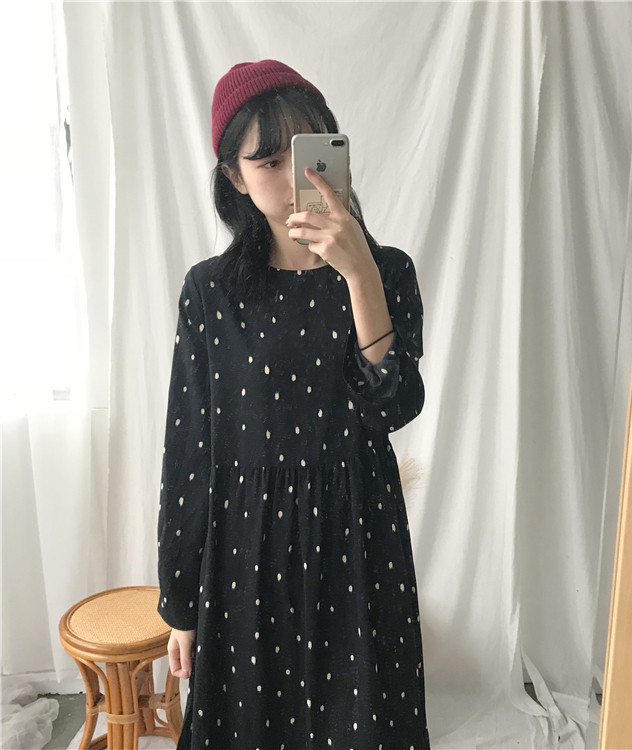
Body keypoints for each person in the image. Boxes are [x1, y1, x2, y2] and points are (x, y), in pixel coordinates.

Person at [156, 59, 430, 749]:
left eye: (306, 155)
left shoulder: (387, 270)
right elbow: (188, 453)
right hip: (245, 553)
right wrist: (180, 602)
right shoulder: (211, 292)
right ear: (234, 177)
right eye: (268, 162)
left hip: (359, 540)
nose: (292, 179)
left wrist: (359, 273)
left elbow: (395, 407)